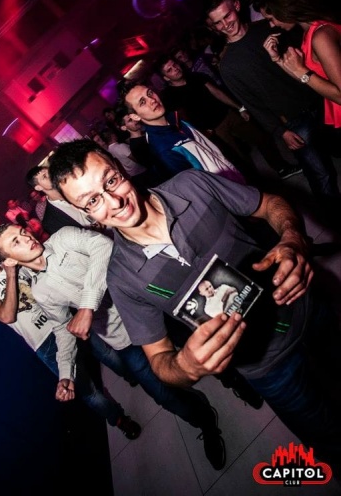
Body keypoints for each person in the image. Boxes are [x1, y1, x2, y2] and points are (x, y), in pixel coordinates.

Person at [48, 138, 341, 471]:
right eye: (93, 200)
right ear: (86, 215)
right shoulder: (122, 278)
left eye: (111, 181)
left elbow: (269, 204)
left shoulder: (192, 185)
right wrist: (186, 366)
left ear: (120, 169)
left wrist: (292, 238)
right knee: (330, 439)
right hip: (266, 368)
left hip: (307, 309)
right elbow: (159, 359)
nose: (114, 202)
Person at [0, 223, 228, 471]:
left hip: (150, 307)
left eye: (22, 232)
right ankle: (206, 421)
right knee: (163, 395)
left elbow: (104, 246)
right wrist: (65, 373)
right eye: (15, 242)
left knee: (210, 344)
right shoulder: (40, 292)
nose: (26, 237)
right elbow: (62, 328)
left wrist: (87, 306)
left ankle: (236, 381)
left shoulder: (63, 238)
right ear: (9, 262)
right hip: (123, 336)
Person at [0, 238, 142, 441]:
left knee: (104, 352)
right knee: (86, 389)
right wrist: (10, 274)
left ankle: (134, 375)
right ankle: (119, 419)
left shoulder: (13, 259)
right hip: (44, 341)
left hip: (64, 319)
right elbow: (6, 316)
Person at [204, 0, 340, 218]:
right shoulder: (228, 65)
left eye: (227, 16)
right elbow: (252, 104)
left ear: (236, 6)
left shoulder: (267, 28)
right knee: (321, 174)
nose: (225, 25)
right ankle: (335, 220)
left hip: (320, 99)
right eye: (218, 22)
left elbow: (306, 58)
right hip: (294, 121)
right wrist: (280, 131)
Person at [155, 52, 301, 181]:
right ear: (166, 77)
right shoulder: (169, 96)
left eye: (174, 65)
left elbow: (217, 92)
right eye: (170, 70)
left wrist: (239, 108)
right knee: (238, 159)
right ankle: (257, 186)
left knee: (261, 138)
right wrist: (202, 133)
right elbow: (183, 119)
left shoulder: (196, 77)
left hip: (228, 115)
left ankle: (282, 168)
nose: (175, 69)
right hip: (214, 130)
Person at [256, 0, 341, 151]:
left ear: (284, 8)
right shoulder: (309, 33)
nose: (272, 25)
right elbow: (309, 77)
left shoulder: (320, 36)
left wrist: (302, 72)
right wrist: (278, 60)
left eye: (271, 18)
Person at [117, 78, 245, 184]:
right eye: (142, 102)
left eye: (150, 93)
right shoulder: (164, 149)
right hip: (229, 192)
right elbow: (198, 187)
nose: (152, 100)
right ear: (135, 116)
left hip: (235, 175)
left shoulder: (175, 118)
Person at [26, 164, 100, 235]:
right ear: (38, 187)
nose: (51, 175)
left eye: (50, 172)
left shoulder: (76, 188)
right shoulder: (50, 221)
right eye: (44, 176)